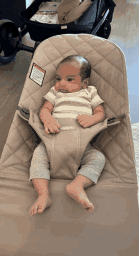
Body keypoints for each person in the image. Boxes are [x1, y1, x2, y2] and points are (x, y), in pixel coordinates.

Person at [29, 55, 106, 216]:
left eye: (69, 79)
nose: (61, 83)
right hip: (53, 140)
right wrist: (48, 119)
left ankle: (77, 185)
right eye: (58, 78)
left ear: (84, 83)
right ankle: (43, 195)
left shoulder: (90, 92)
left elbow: (100, 113)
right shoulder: (55, 92)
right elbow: (44, 109)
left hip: (80, 143)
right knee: (38, 156)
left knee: (98, 158)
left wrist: (92, 118)